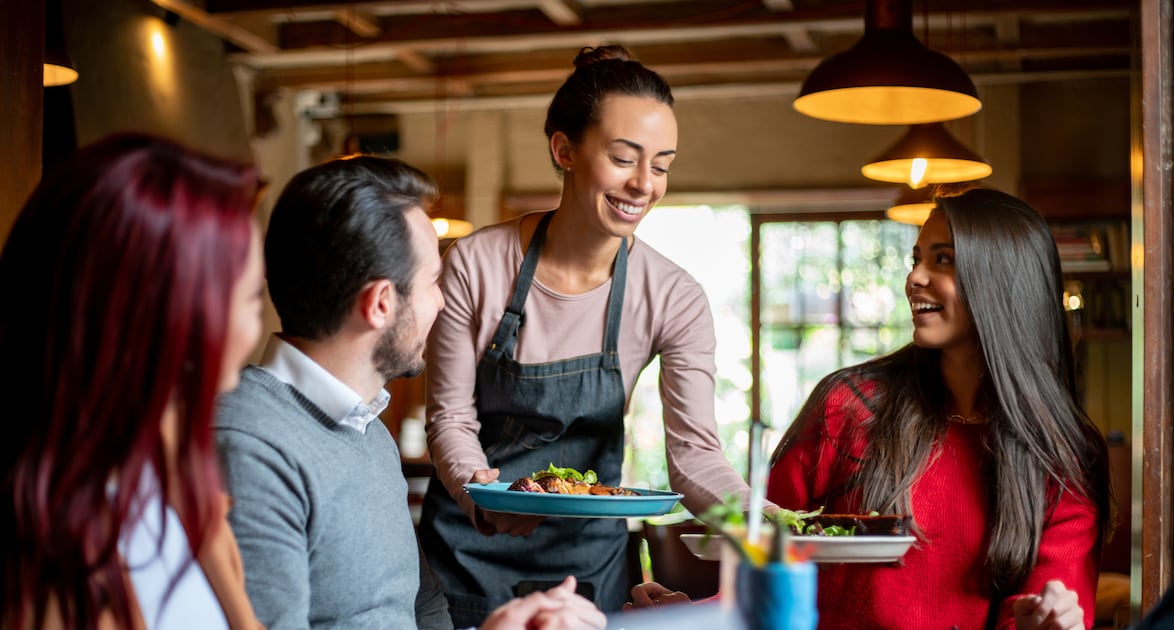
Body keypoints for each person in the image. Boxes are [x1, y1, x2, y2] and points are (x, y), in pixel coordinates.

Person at [418, 44, 756, 626]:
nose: (644, 184)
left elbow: (695, 455)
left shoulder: (673, 295)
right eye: (624, 158)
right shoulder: (477, 262)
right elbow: (449, 417)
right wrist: (481, 497)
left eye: (662, 165)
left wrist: (762, 518)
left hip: (590, 567)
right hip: (468, 553)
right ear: (564, 150)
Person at [214, 155, 604, 630]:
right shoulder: (249, 447)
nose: (441, 302)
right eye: (433, 282)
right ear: (380, 304)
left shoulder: (368, 431)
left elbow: (424, 610)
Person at [766, 187, 1110, 629]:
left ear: (1002, 281)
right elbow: (762, 549)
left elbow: (1049, 604)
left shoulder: (1065, 453)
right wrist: (689, 607)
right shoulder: (846, 405)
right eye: (916, 259)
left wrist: (1047, 621)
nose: (914, 278)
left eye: (942, 260)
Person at [0, 133, 264, 629]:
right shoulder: (49, 554)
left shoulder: (179, 483)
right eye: (252, 298)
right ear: (176, 320)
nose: (258, 323)